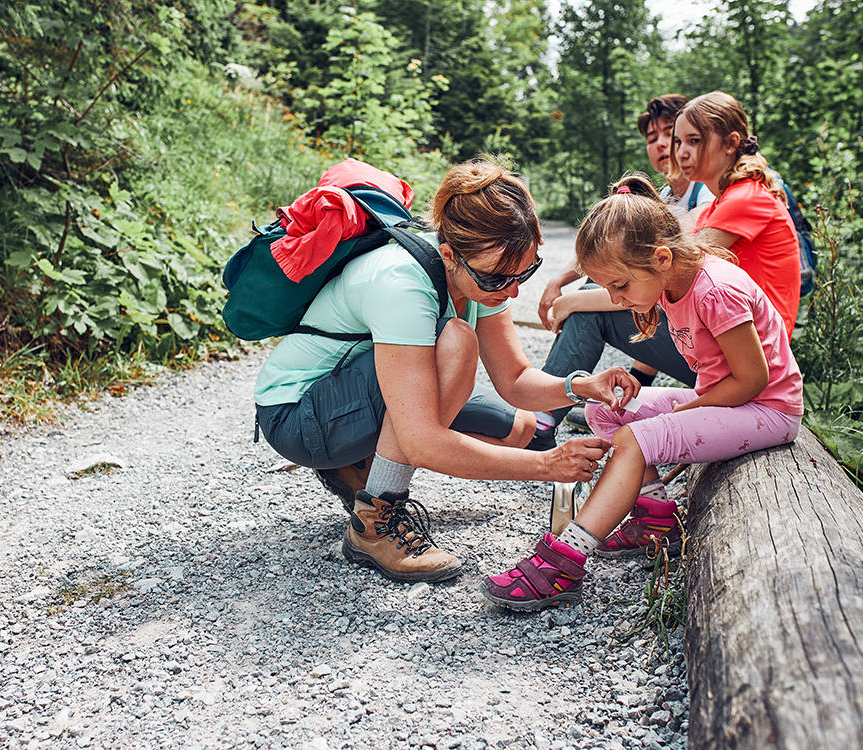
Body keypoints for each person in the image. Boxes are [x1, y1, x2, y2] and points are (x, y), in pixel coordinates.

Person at [254, 157, 639, 584]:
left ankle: (361, 460)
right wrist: (548, 466)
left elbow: (514, 380)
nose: (511, 291)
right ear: (449, 254)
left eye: (524, 274)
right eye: (497, 279)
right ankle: (374, 521)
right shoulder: (402, 282)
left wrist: (582, 386)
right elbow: (422, 442)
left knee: (519, 430)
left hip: (351, 394)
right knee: (456, 342)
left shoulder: (483, 272)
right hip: (298, 415)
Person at [481, 174, 803, 611]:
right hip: (730, 399)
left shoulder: (717, 291)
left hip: (767, 410)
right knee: (607, 409)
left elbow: (752, 380)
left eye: (620, 286)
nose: (615, 297)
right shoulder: (670, 282)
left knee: (638, 436)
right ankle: (656, 521)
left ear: (663, 257)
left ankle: (565, 557)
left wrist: (682, 411)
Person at [529, 94, 710, 449]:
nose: (661, 144)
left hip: (722, 352)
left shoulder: (706, 197)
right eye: (651, 137)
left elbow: (664, 286)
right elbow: (611, 252)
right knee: (597, 285)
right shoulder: (664, 198)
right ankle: (551, 413)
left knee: (588, 306)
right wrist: (560, 279)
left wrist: (573, 302)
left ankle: (541, 420)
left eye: (671, 135)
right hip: (691, 338)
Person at [670, 90, 801, 337]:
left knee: (596, 315)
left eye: (694, 141)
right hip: (734, 334)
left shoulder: (745, 198)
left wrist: (578, 302)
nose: (681, 152)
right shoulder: (719, 205)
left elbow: (675, 271)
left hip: (760, 350)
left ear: (730, 143)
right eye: (678, 142)